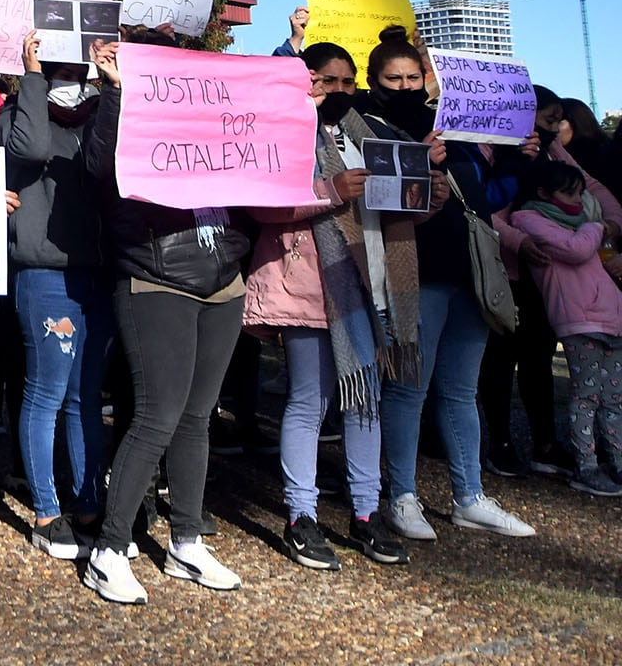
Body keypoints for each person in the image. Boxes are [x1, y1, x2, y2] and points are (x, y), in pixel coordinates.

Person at [244, 41, 430, 571]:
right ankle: (301, 514)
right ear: (307, 81)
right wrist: (330, 189)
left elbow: (397, 209)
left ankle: (367, 513)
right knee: (309, 402)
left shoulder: (370, 136)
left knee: (365, 402)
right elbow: (261, 203)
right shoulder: (283, 132)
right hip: (310, 285)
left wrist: (428, 193)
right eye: (329, 81)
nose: (340, 91)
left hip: (371, 288)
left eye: (349, 82)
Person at [80, 32, 249, 605]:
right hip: (155, 277)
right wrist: (116, 93)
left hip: (223, 278)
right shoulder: (114, 106)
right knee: (156, 416)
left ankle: (186, 540)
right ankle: (108, 549)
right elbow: (99, 166)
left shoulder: (209, 111)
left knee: (197, 418)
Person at [364, 32, 535, 542]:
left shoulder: (454, 128)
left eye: (413, 77)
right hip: (413, 273)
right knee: (407, 388)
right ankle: (402, 496)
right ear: (375, 82)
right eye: (393, 79)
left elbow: (483, 196)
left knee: (462, 390)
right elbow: (377, 200)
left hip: (468, 275)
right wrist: (415, 160)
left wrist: (519, 158)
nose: (406, 86)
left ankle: (469, 496)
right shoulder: (368, 126)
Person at [0, 31, 112, 559]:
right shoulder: (20, 110)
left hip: (97, 271)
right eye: (57, 63)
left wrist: (111, 88)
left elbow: (111, 164)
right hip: (43, 274)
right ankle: (47, 510)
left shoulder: (98, 113)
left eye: (75, 64)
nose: (69, 72)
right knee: (46, 392)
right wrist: (33, 77)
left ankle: (89, 502)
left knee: (84, 397)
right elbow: (32, 148)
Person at [484, 86, 622, 477]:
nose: (555, 128)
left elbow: (589, 185)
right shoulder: (494, 149)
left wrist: (611, 221)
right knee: (501, 358)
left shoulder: (551, 152)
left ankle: (545, 442)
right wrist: (520, 242)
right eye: (547, 120)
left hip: (549, 275)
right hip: (509, 270)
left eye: (558, 120)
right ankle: (501, 442)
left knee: (538, 359)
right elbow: (482, 207)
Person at [510, 161, 622, 496]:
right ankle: (585, 466)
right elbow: (578, 250)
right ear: (543, 193)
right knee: (586, 397)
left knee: (614, 398)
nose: (576, 200)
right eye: (568, 193)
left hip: (611, 317)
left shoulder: (581, 224)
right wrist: (598, 227)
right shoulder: (529, 219)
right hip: (578, 320)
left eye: (579, 193)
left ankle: (616, 460)